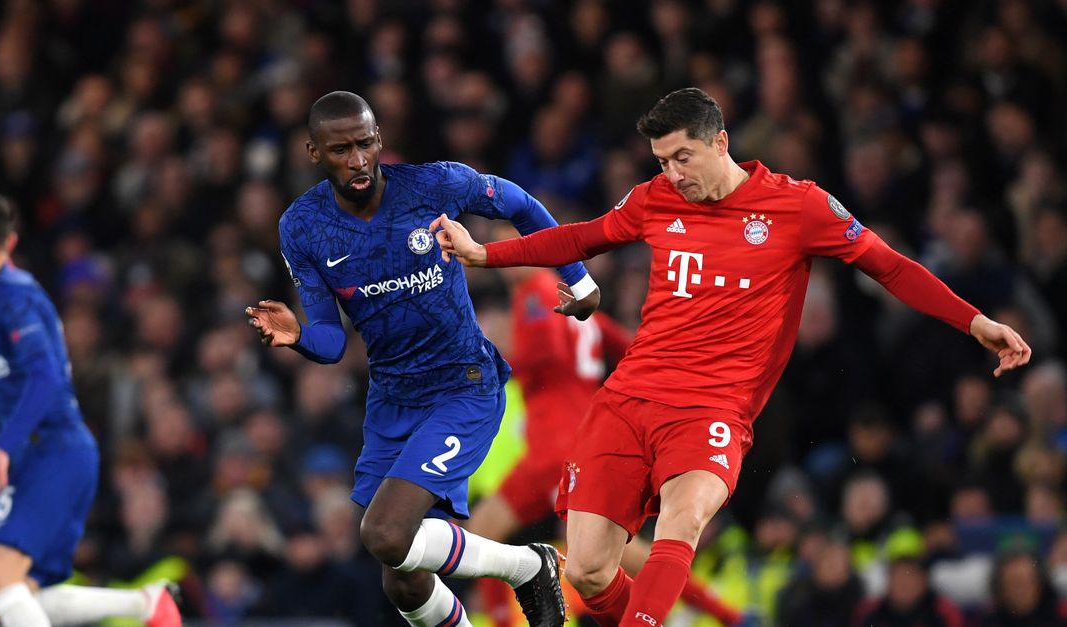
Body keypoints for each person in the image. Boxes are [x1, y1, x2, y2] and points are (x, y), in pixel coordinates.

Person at [430, 87, 1032, 627]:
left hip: (713, 408)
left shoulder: (800, 208)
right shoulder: (655, 199)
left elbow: (891, 266)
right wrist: (484, 255)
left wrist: (974, 321)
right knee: (587, 570)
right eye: (662, 161)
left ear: (721, 141)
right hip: (628, 398)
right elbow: (581, 236)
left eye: (683, 157)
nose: (673, 173)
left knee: (683, 518)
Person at [246, 91, 601, 627]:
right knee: (402, 578)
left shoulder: (434, 184)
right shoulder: (303, 226)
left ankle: (528, 567)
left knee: (387, 534)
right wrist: (297, 336)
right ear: (314, 153)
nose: (359, 160)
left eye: (366, 144)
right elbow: (331, 342)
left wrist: (579, 278)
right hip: (392, 399)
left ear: (380, 139)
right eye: (341, 149)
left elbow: (520, 206)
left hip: (464, 385)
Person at [0, 192, 181, 627]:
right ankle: (146, 604)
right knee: (17, 597)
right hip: (53, 451)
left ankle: (145, 605)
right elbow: (27, 392)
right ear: (10, 241)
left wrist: (3, 446)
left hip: (52, 451)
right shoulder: (3, 300)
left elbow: (47, 380)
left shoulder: (12, 296)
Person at [468, 255, 745, 627]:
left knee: (484, 532)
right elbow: (630, 346)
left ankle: (503, 622)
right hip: (591, 435)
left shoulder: (534, 293)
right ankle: (726, 615)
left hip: (554, 448)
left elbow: (545, 351)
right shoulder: (577, 302)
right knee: (611, 554)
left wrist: (493, 365)